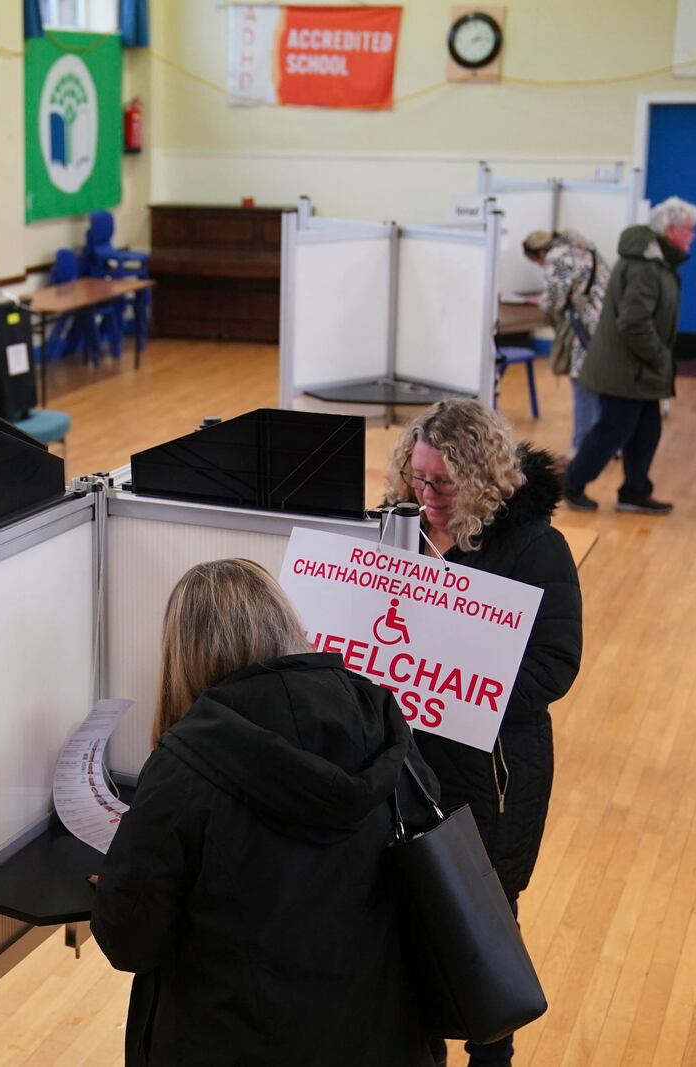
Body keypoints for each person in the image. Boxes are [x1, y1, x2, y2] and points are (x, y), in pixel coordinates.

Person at [91, 559, 439, 1066]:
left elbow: (131, 944)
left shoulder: (184, 767)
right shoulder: (382, 722)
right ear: (286, 623)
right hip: (381, 1038)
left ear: (184, 656)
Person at [383, 399, 583, 1067]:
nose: (426, 495)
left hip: (494, 773)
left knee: (484, 924)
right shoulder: (394, 533)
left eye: (443, 483)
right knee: (407, 920)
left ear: (482, 478)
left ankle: (491, 1054)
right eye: (417, 478)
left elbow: (555, 664)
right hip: (407, 766)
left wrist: (467, 695)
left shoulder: (534, 547)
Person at [565, 196, 696, 515]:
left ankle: (634, 491)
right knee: (613, 429)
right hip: (626, 369)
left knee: (646, 430)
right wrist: (659, 357)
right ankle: (572, 484)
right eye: (689, 230)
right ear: (671, 230)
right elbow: (634, 322)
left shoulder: (656, 262)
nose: (692, 236)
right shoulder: (645, 266)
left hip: (636, 369)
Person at [521, 229, 609, 453]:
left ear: (538, 254)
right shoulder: (584, 247)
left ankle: (581, 447)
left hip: (584, 326)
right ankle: (610, 443)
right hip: (606, 319)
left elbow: (553, 301)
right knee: (602, 384)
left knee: (582, 384)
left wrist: (538, 301)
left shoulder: (556, 258)